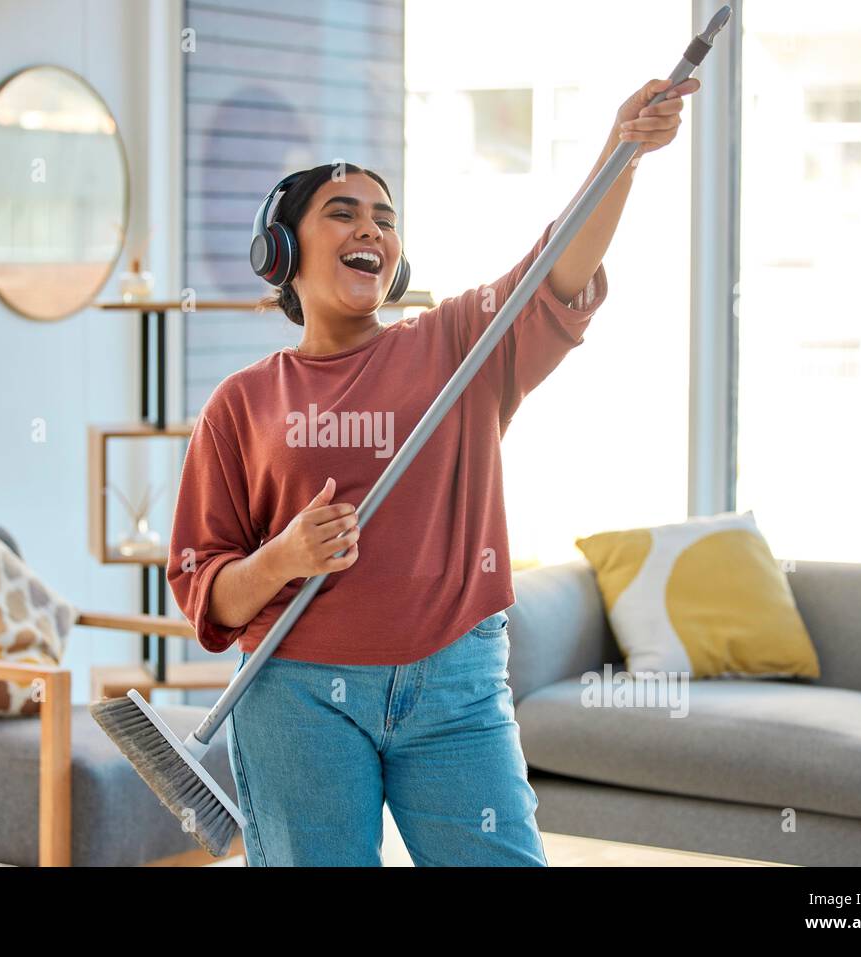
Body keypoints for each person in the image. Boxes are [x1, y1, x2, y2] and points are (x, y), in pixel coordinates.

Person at [167, 77, 700, 866]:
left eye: (385, 218)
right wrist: (285, 557)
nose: (370, 229)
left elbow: (553, 268)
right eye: (342, 212)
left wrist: (623, 152)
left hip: (456, 683)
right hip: (294, 693)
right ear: (280, 251)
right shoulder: (240, 403)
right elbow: (205, 590)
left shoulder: (455, 343)